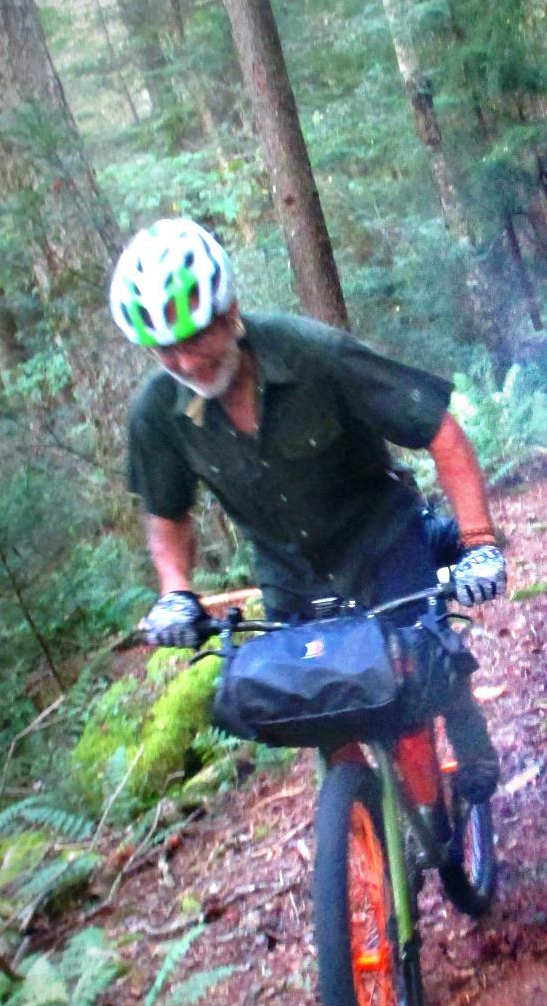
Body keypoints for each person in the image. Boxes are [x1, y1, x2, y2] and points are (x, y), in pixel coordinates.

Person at [112, 215, 503, 801]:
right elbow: (167, 515)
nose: (188, 363)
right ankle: (359, 825)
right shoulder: (157, 413)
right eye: (167, 350)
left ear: (230, 312)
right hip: (288, 571)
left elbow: (438, 429)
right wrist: (176, 591)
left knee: (420, 669)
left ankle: (463, 732)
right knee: (316, 704)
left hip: (381, 539)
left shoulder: (314, 355)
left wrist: (478, 544)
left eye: (197, 337)